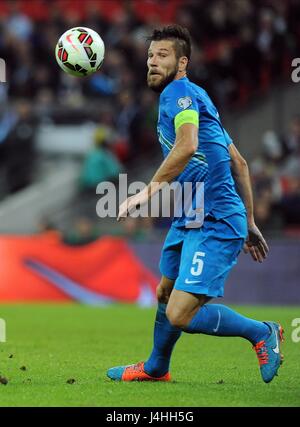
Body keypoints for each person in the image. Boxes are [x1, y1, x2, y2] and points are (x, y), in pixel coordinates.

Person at [107, 25, 284, 384]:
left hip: (214, 219)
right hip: (191, 215)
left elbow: (187, 145)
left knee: (180, 315)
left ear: (182, 62)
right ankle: (156, 368)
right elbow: (239, 162)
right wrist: (249, 220)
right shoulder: (199, 98)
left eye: (162, 56)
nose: (152, 62)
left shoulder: (178, 94)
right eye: (150, 56)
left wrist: (147, 192)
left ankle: (262, 331)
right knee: (164, 290)